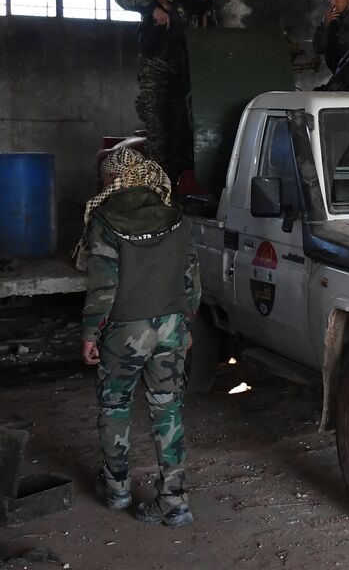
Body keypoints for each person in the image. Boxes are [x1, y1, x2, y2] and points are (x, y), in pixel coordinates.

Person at [78, 147, 201, 527]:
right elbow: (191, 280)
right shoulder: (177, 217)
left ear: (114, 179)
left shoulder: (104, 219)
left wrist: (89, 333)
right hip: (171, 326)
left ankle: (117, 490)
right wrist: (187, 323)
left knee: (115, 406)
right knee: (168, 409)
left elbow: (103, 288)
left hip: (124, 331)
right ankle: (174, 501)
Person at [115, 0, 227, 181]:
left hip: (184, 77)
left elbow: (211, 40)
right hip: (156, 70)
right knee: (159, 134)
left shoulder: (203, 10)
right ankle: (155, 192)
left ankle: (172, 191)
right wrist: (153, 9)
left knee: (180, 136)